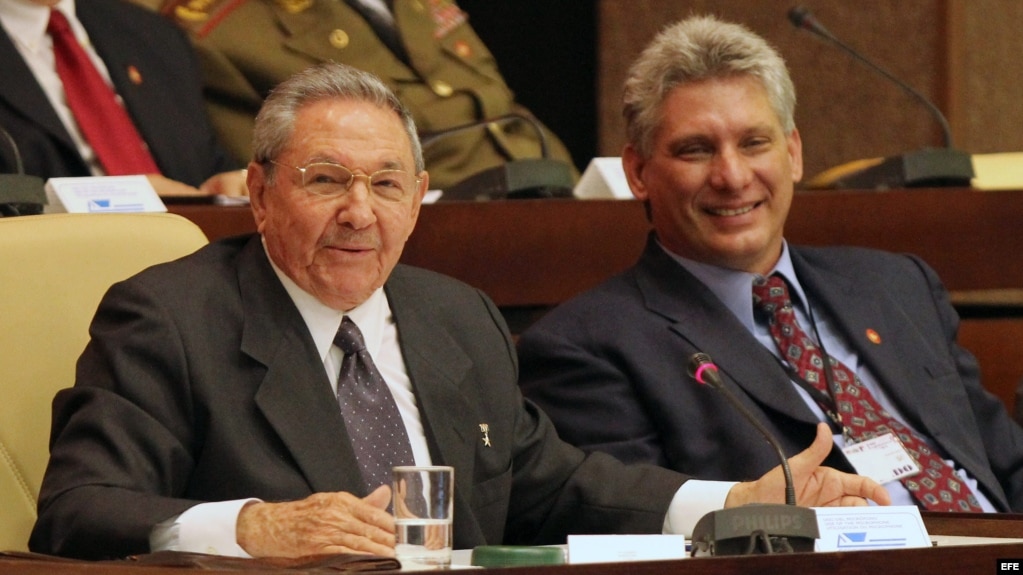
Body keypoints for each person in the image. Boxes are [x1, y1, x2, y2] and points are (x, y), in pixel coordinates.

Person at [29, 61, 887, 561]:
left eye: (386, 185)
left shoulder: (453, 315)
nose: (359, 213)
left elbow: (553, 484)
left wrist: (729, 499)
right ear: (257, 193)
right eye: (325, 180)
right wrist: (255, 529)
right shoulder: (171, 317)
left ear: (419, 199)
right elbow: (76, 509)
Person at [518, 15, 1023, 515]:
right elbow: (636, 534)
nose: (732, 176)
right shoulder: (588, 346)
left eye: (754, 143)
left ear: (794, 152)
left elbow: (1007, 463)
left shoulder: (897, 285)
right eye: (696, 150)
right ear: (638, 172)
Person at [144, 0, 577, 192]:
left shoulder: (415, 6)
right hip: (421, 241)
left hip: (554, 204)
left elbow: (500, 108)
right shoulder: (219, 30)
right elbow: (285, 180)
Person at [0, 0, 245, 197]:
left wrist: (228, 187)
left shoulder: (152, 33)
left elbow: (204, 159)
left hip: (197, 248)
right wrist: (129, 197)